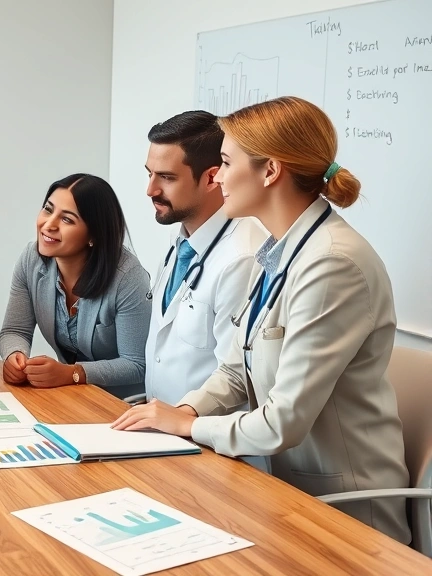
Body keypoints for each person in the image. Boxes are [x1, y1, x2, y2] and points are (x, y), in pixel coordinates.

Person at [113, 96, 410, 544]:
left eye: (227, 163)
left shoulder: (333, 264)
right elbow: (236, 369)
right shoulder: (278, 251)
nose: (220, 177)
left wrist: (188, 426)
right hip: (278, 491)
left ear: (270, 171)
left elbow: (282, 422)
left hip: (341, 513)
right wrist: (182, 411)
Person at [143, 111, 265, 404]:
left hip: (208, 441)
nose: (150, 190)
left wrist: (181, 419)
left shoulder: (242, 258)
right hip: (161, 428)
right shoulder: (181, 244)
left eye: (167, 178)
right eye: (150, 173)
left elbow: (236, 380)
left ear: (212, 177)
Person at [0, 174, 151, 399]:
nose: (48, 225)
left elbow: (136, 364)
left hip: (123, 405)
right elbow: (14, 331)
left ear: (94, 235)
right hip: (72, 398)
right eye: (48, 210)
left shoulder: (127, 277)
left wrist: (74, 373)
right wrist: (15, 356)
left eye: (67, 219)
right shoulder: (31, 259)